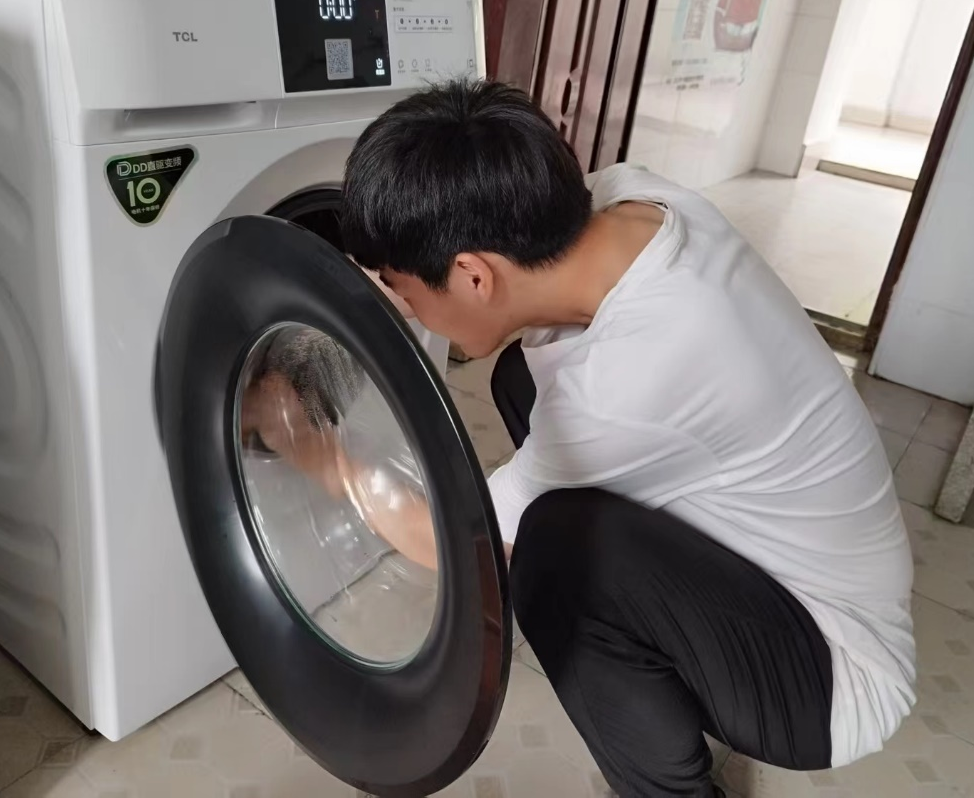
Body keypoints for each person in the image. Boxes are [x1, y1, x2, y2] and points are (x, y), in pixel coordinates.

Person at [244, 80, 915, 798]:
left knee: (553, 555)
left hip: (829, 674)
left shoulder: (639, 375)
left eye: (403, 289)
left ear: (472, 275)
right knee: (522, 378)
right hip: (780, 570)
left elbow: (456, 541)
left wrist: (308, 444)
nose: (406, 306)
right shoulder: (631, 197)